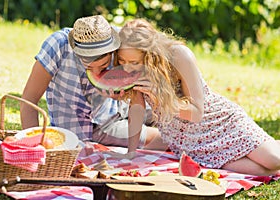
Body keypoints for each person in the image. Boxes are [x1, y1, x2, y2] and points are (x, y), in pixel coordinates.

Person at [113, 18, 280, 176]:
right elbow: (136, 111)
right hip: (188, 142)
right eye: (122, 61)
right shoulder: (132, 70)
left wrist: (161, 98)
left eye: (134, 62)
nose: (127, 69)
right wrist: (131, 153)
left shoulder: (178, 56)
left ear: (151, 56)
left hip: (219, 121)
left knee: (275, 161)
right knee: (262, 169)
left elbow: (196, 113)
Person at [20, 15, 167, 150]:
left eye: (104, 67)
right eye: (89, 67)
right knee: (165, 140)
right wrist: (36, 146)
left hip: (120, 108)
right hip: (97, 127)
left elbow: (155, 50)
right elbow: (29, 100)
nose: (96, 73)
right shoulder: (57, 46)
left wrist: (125, 93)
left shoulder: (120, 41)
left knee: (177, 124)